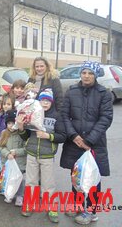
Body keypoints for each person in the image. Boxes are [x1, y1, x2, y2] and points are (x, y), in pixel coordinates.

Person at [60, 61, 113, 225]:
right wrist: (74, 136)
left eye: (90, 73)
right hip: (74, 142)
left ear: (95, 75)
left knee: (92, 179)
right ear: (80, 74)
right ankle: (77, 206)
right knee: (76, 177)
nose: (86, 76)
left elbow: (106, 118)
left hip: (94, 144)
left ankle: (91, 211)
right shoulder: (71, 91)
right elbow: (64, 115)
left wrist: (89, 140)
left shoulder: (104, 93)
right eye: (84, 72)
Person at [18, 88, 66, 223]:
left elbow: (62, 136)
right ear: (38, 101)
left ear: (52, 102)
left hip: (47, 156)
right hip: (32, 154)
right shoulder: (32, 113)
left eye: (47, 101)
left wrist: (48, 136)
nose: (44, 103)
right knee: (31, 181)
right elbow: (25, 136)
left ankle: (50, 207)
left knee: (48, 184)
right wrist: (21, 127)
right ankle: (29, 204)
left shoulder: (56, 116)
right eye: (42, 100)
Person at [0, 110, 26, 207]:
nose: (11, 125)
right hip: (8, 161)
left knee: (20, 179)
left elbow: (26, 149)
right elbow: (0, 146)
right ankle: (10, 193)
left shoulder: (22, 134)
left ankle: (19, 196)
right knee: (9, 178)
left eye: (13, 123)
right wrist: (7, 154)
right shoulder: (4, 133)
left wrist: (16, 152)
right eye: (9, 123)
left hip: (19, 162)